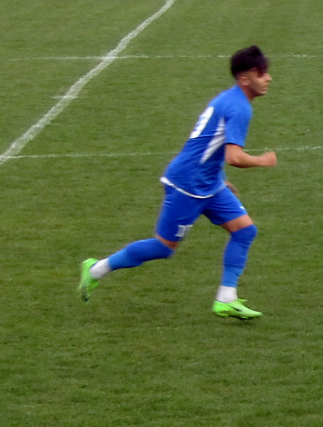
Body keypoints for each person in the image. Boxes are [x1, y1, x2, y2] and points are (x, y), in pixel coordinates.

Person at [79, 46, 278, 319]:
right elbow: (234, 156)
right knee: (163, 247)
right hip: (188, 184)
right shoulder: (239, 107)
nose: (268, 78)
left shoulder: (229, 99)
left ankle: (226, 299)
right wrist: (262, 161)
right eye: (262, 73)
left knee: (245, 231)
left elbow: (206, 145)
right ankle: (95, 270)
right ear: (245, 79)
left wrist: (219, 180)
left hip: (208, 182)